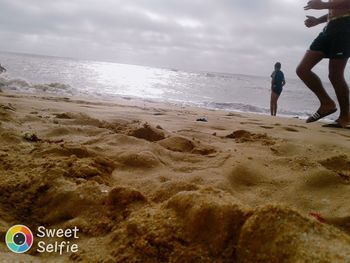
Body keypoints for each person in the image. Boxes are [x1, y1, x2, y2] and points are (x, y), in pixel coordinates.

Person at [296, 0, 350, 128]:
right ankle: (327, 103)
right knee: (302, 70)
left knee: (335, 75)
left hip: (346, 27)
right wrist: (317, 21)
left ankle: (345, 116)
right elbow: (335, 10)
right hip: (330, 28)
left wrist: (324, 5)